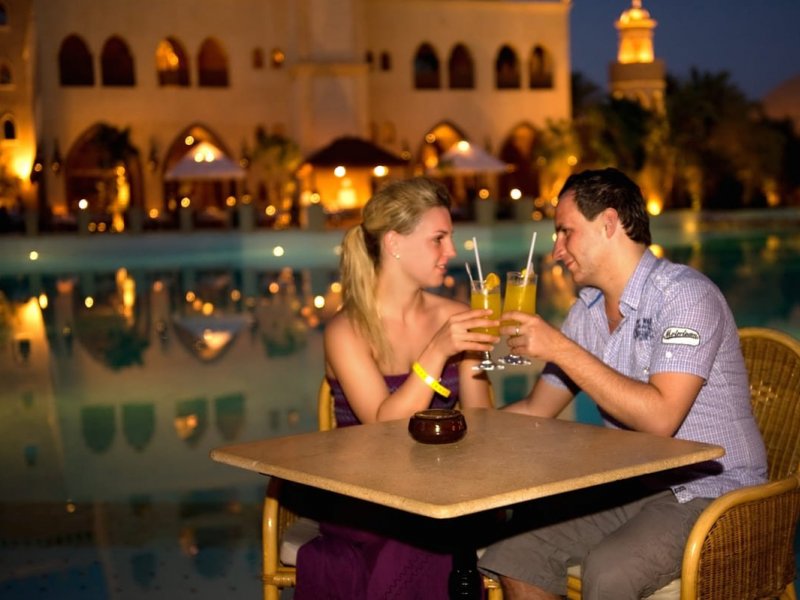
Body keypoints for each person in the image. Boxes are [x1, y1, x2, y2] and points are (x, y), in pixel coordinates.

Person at [478, 167, 767, 600]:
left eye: (566, 232)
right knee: (515, 549)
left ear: (609, 223)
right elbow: (537, 409)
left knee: (610, 570)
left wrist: (560, 348)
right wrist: (470, 430)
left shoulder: (685, 296)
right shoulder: (587, 312)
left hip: (714, 490)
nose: (556, 250)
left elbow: (660, 419)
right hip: (640, 483)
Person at [294, 176, 497, 600]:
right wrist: (438, 351)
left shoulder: (455, 314)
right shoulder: (346, 331)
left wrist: (476, 357)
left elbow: (483, 425)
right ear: (394, 243)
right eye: (438, 239)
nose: (451, 252)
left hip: (443, 489)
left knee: (439, 525)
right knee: (425, 536)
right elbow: (383, 426)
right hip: (364, 495)